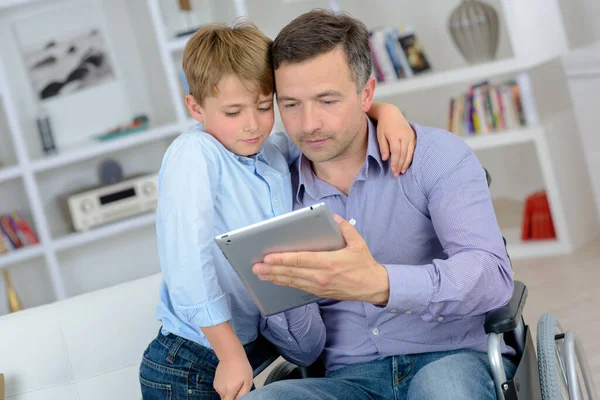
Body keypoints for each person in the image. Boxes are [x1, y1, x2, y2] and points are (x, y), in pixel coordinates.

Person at [245, 9, 516, 400]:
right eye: (290, 105)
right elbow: (303, 350)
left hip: (451, 358)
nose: (308, 124)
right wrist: (277, 289)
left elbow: (492, 276)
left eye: (327, 100)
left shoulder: (435, 155)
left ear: (366, 94)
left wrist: (381, 284)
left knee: (443, 390)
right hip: (348, 380)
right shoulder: (271, 185)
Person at [138, 20, 416, 400]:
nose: (253, 125)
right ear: (195, 107)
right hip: (193, 359)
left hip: (248, 352)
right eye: (233, 112)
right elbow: (186, 263)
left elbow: (320, 132)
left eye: (264, 107)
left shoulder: (268, 151)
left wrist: (385, 112)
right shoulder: (195, 154)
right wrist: (230, 354)